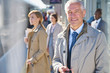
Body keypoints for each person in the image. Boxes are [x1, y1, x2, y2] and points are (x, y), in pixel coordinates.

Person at [52, 0, 109, 73]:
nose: (73, 15)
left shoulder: (98, 36)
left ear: (83, 13)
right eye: (69, 12)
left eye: (76, 11)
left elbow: (103, 69)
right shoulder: (60, 37)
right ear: (66, 14)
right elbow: (56, 60)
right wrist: (59, 68)